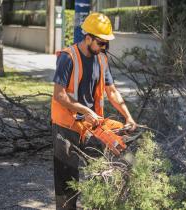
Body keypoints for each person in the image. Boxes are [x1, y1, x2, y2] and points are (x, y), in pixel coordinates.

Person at [51, 12, 137, 210]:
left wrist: (128, 116)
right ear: (88, 38)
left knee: (102, 168)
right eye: (101, 43)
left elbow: (112, 91)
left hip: (91, 126)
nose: (104, 47)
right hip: (65, 126)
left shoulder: (102, 60)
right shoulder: (68, 57)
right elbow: (59, 95)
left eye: (107, 43)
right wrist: (85, 110)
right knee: (67, 180)